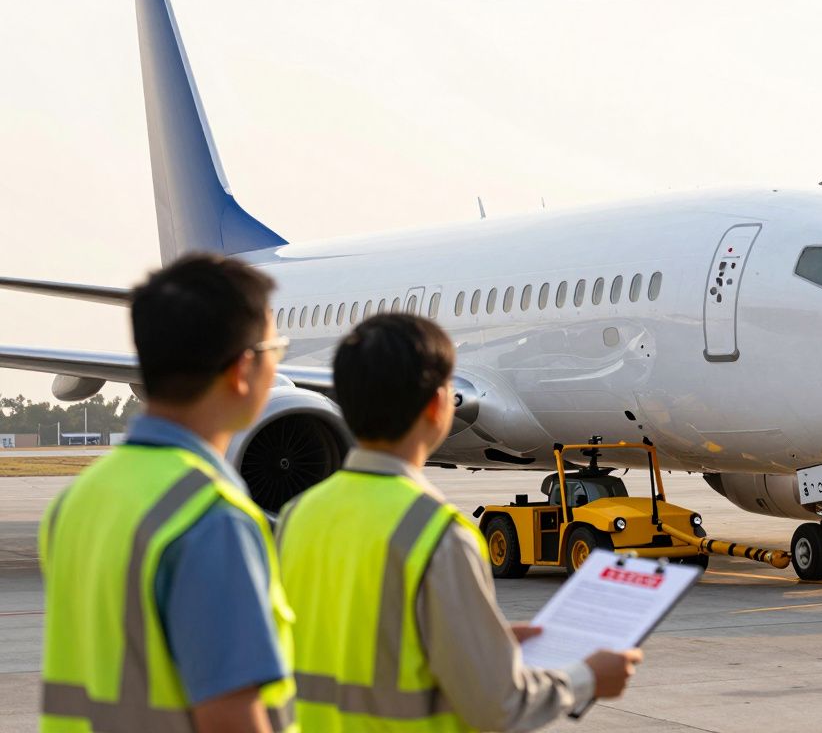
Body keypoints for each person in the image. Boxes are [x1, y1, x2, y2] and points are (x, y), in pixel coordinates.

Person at [276, 314, 642, 731]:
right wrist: (588, 678)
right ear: (439, 406)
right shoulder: (436, 535)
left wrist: (482, 642)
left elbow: (353, 641)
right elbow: (499, 705)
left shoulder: (297, 515)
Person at [39, 255, 296, 732]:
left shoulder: (76, 501)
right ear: (243, 369)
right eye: (276, 348)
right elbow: (230, 718)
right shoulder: (210, 518)